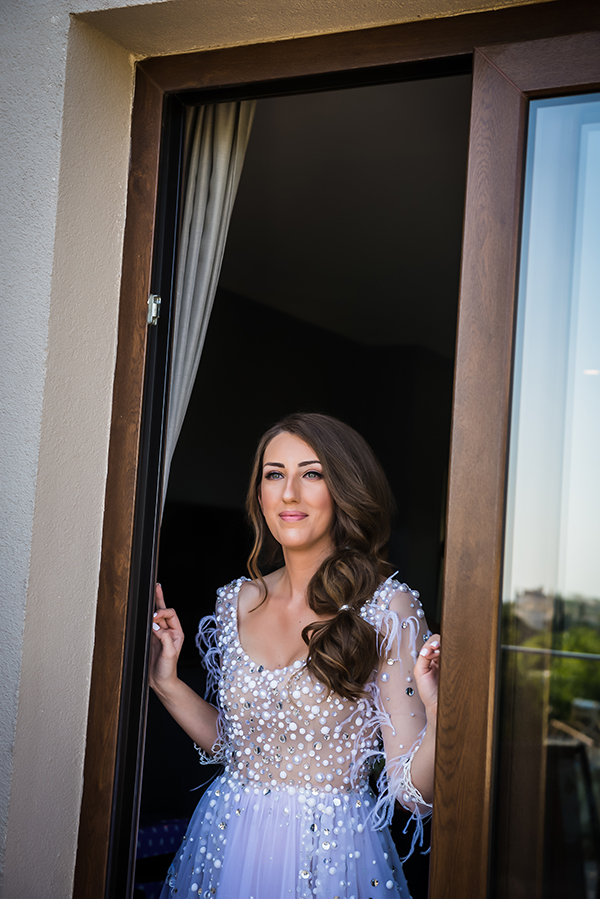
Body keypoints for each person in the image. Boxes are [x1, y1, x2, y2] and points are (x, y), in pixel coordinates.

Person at [150, 413, 440, 899]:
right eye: (274, 474)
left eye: (311, 474)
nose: (289, 493)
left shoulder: (387, 608)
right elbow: (239, 748)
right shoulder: (236, 601)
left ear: (344, 490)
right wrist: (167, 683)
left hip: (330, 857)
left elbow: (412, 795)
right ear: (259, 494)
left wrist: (438, 713)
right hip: (228, 841)